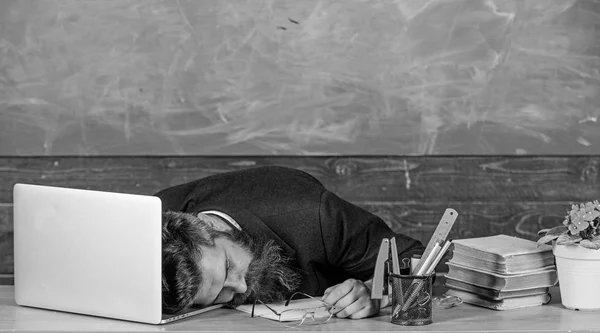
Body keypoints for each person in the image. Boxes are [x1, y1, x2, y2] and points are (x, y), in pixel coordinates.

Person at [156, 165, 425, 319]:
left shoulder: (316, 215)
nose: (240, 285)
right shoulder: (156, 219)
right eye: (219, 295)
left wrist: (375, 292)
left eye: (229, 268)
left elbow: (417, 257)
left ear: (211, 226)